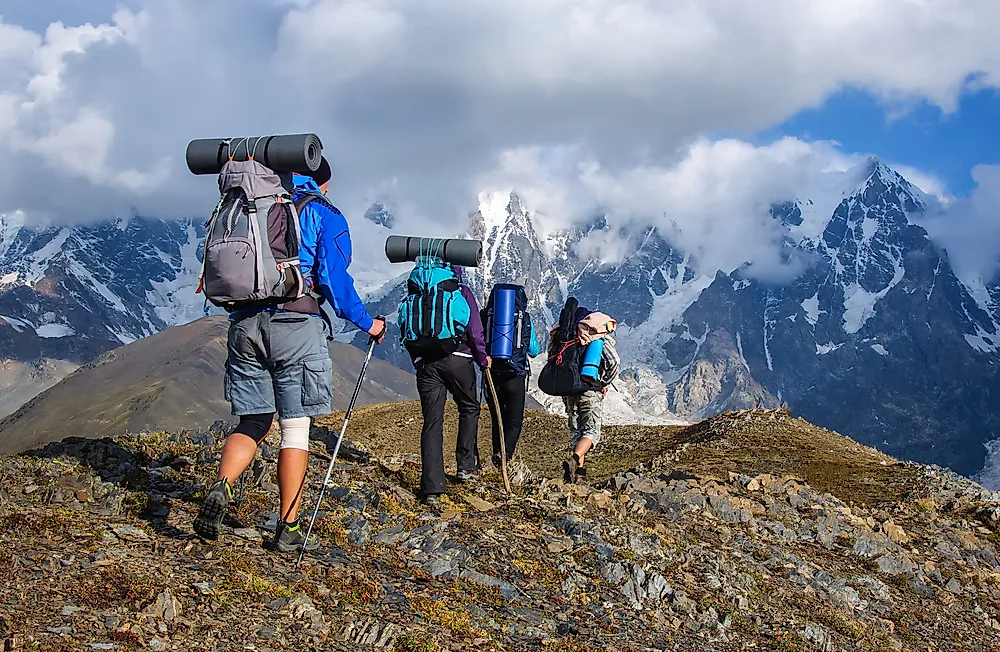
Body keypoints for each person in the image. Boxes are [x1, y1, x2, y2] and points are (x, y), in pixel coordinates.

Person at [193, 157, 386, 552]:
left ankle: (223, 485)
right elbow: (335, 279)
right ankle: (289, 527)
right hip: (296, 326)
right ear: (322, 182)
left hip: (245, 325)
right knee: (295, 427)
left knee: (254, 420)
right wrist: (369, 324)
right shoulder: (321, 212)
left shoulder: (247, 204)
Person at [409, 264, 490, 506]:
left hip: (426, 362)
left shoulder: (418, 292)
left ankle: (432, 488)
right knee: (469, 407)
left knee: (432, 422)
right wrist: (482, 357)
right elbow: (474, 330)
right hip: (459, 359)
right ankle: (465, 466)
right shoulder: (460, 291)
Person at [482, 288, 543, 467]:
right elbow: (534, 350)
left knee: (497, 417)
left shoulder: (486, 315)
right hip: (515, 374)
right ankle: (506, 455)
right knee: (514, 420)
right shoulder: (524, 318)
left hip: (492, 373)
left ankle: (496, 452)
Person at [562, 318, 620, 485]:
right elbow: (614, 362)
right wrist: (604, 382)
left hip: (569, 391)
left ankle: (578, 476)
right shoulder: (598, 337)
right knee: (591, 433)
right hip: (590, 389)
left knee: (577, 433)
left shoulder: (569, 335)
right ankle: (574, 459)